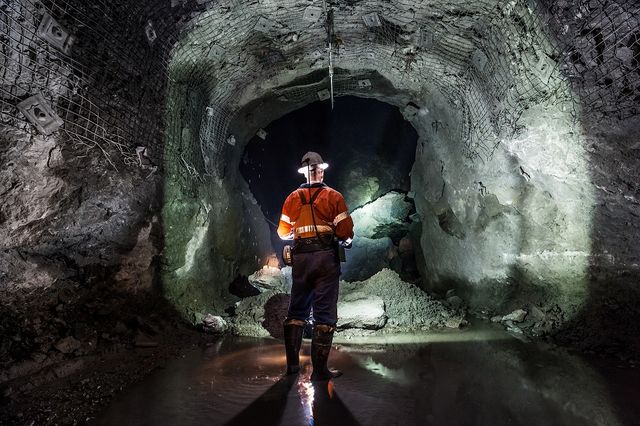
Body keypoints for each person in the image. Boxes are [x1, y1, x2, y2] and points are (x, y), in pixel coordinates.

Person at [277, 151, 354, 381]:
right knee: (324, 314)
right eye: (319, 169)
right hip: (325, 260)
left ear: (303, 172)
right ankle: (320, 371)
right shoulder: (334, 196)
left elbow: (282, 232)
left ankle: (292, 368)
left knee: (296, 312)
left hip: (301, 261)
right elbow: (346, 232)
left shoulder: (292, 198)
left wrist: (298, 230)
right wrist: (346, 239)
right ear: (321, 171)